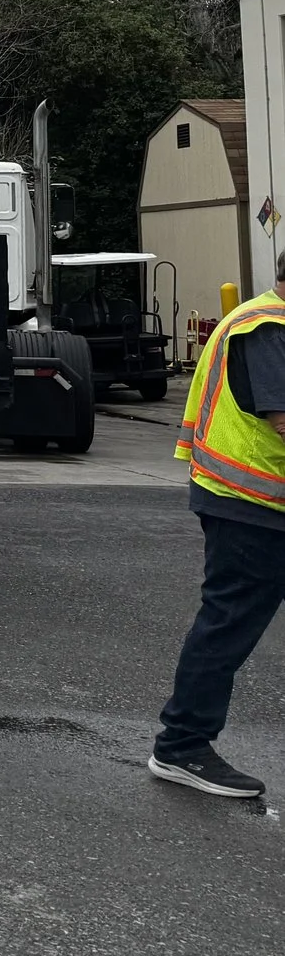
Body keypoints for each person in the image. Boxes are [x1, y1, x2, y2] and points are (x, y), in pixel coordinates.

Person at [152, 249, 285, 798]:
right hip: (251, 504)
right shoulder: (267, 329)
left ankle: (183, 742)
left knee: (228, 620)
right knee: (229, 622)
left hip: (254, 500)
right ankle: (182, 746)